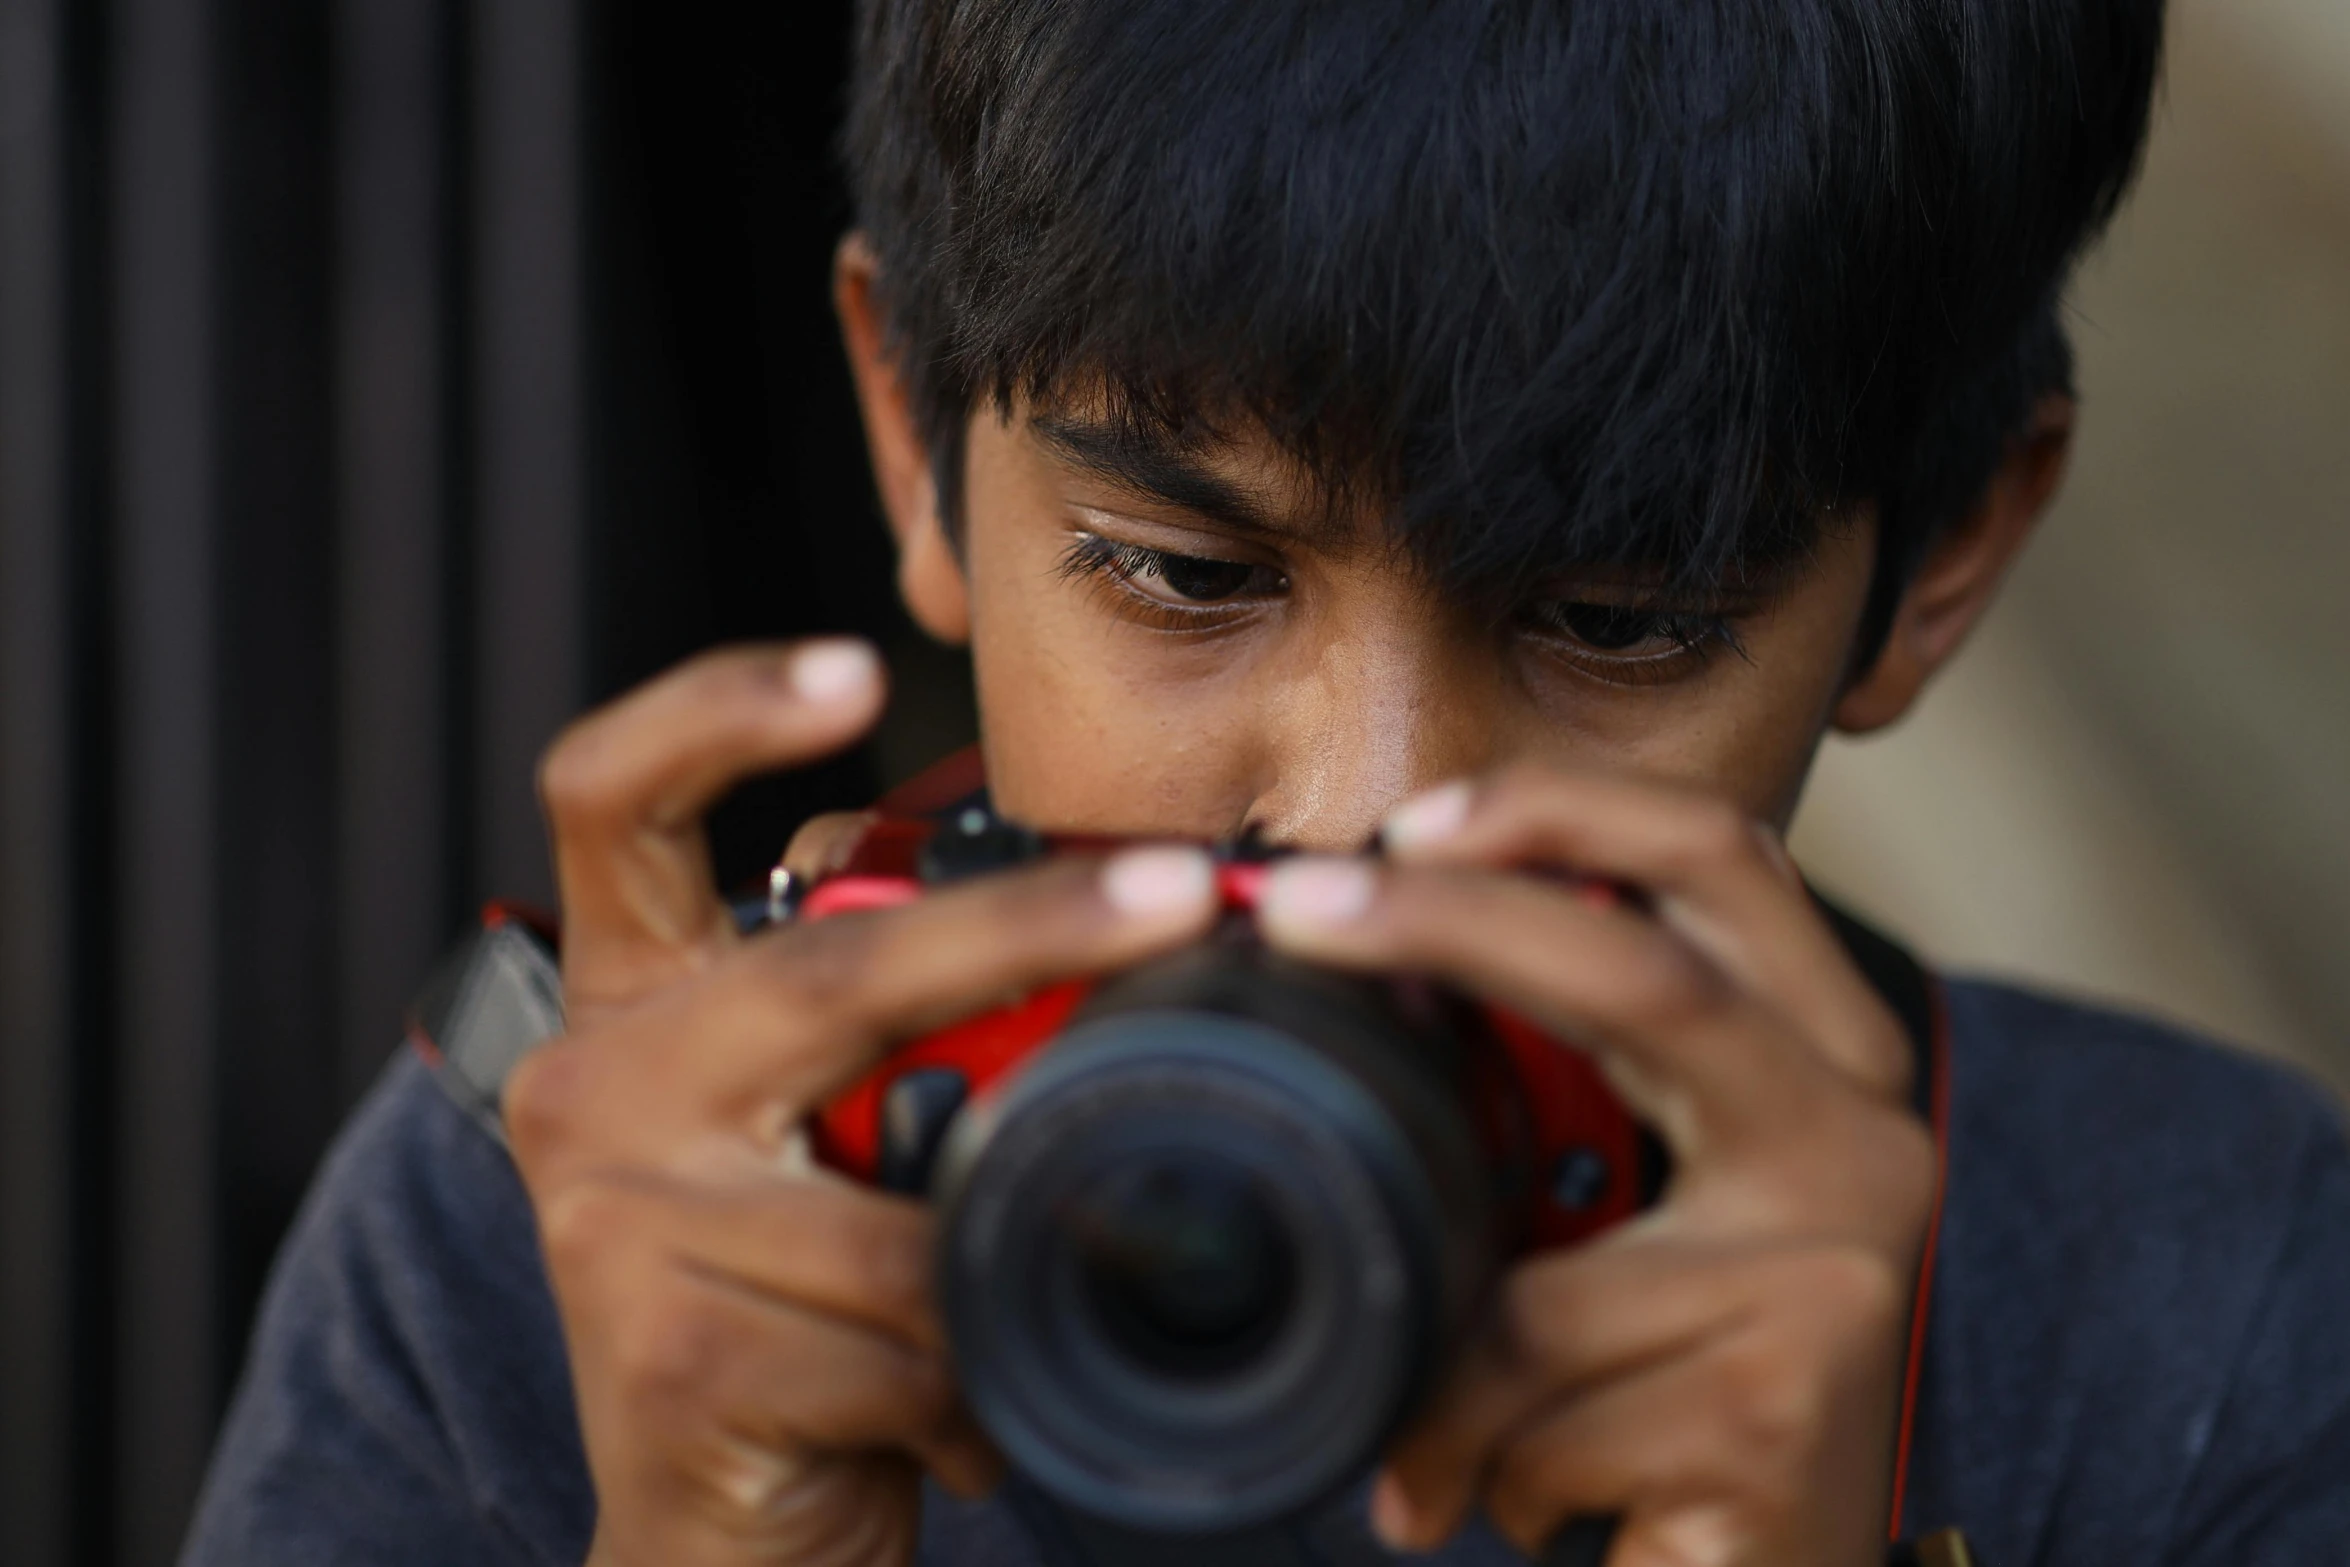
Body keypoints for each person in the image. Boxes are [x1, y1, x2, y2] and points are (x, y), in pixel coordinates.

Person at [182, 0, 2350, 1563]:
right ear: (913, 437)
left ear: (1936, 560)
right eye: (1177, 573)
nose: (1359, 824)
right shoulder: (576, 1220)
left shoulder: (2209, 1299)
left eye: (1619, 625)